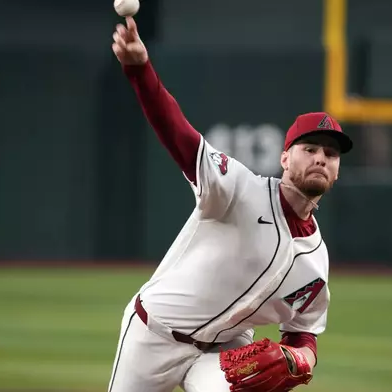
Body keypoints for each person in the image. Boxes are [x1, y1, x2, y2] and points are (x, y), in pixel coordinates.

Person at [108, 16, 353, 392]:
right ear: (285, 158)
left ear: (336, 171)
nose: (321, 158)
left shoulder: (315, 264)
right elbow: (179, 136)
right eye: (310, 149)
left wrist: (299, 358)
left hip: (222, 355)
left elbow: (303, 334)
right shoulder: (239, 188)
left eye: (331, 154)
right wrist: (140, 70)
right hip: (153, 336)